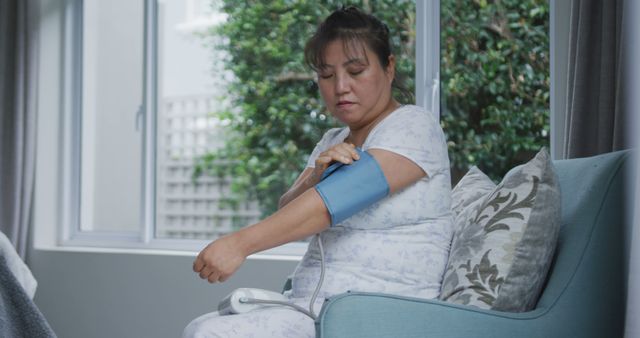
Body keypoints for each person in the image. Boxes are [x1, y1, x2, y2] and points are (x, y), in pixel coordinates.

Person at [182, 6, 453, 338]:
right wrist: (315, 177)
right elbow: (291, 217)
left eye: (355, 71)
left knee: (211, 335)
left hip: (381, 314)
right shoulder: (333, 139)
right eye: (326, 75)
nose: (340, 87)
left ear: (389, 67)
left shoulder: (414, 126)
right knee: (201, 327)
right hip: (317, 308)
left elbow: (338, 199)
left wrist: (239, 244)